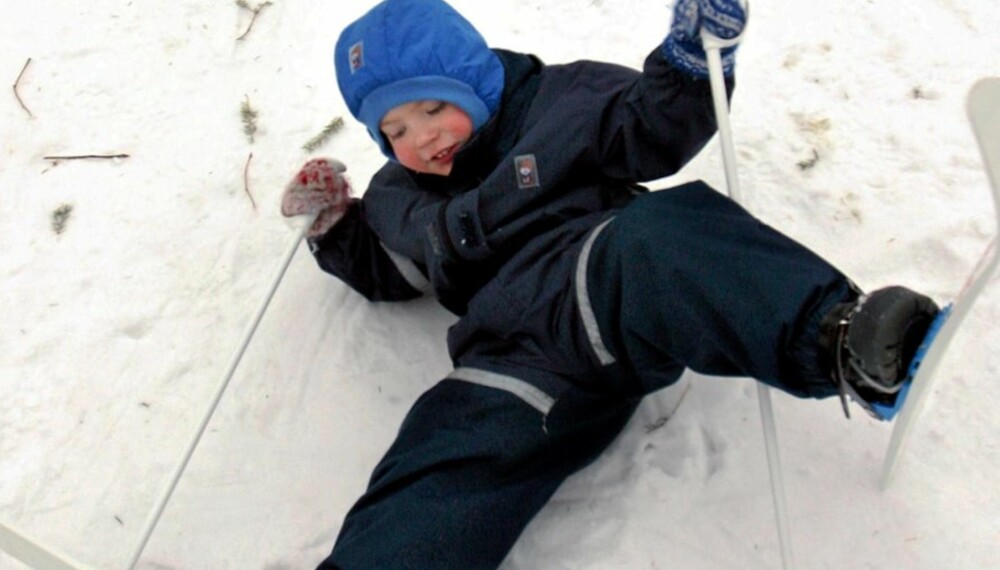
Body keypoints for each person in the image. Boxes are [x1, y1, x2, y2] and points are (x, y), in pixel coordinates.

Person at [280, 0, 940, 568]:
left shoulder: (559, 103)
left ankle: (839, 339)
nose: (421, 139)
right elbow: (389, 267)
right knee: (445, 450)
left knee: (666, 232)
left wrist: (687, 65)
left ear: (474, 80)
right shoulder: (399, 196)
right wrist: (335, 227)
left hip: (605, 279)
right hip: (515, 358)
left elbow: (649, 126)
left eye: (432, 108)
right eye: (394, 130)